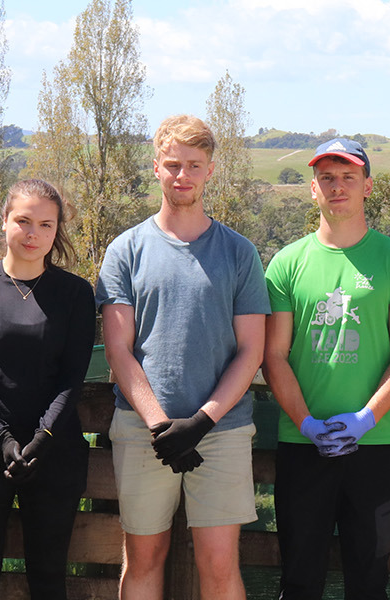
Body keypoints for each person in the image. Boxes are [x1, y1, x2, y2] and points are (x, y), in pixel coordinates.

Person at [95, 114, 270, 600]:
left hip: (223, 430)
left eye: (194, 165)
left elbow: (251, 350)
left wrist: (201, 422)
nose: (182, 176)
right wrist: (159, 426)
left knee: (218, 563)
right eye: (173, 164)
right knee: (143, 558)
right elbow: (118, 350)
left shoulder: (239, 252)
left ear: (210, 170)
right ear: (156, 167)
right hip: (140, 428)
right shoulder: (125, 250)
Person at [262, 138, 390, 599]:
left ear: (367, 186)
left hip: (372, 446)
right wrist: (307, 422)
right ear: (312, 189)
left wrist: (366, 418)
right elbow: (274, 356)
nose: (337, 187)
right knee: (298, 578)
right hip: (301, 444)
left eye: (348, 177)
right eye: (326, 178)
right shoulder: (286, 264)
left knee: (369, 579)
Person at [0, 179, 94, 599]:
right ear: (5, 222)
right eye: (24, 221)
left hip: (54, 454)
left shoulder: (75, 294)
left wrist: (41, 439)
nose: (33, 234)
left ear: (57, 230)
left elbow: (72, 377)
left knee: (48, 577)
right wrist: (3, 439)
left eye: (46, 225)